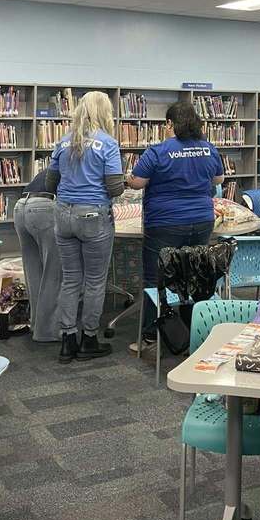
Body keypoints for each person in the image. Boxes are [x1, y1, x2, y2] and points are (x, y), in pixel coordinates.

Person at [125, 100, 224, 353]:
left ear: (169, 123)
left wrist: (127, 177)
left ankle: (150, 336)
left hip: (165, 222)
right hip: (202, 220)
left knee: (154, 278)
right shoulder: (208, 148)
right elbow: (219, 179)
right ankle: (195, 331)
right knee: (193, 274)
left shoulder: (158, 151)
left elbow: (137, 183)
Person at [45, 91, 125, 364]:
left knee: (70, 279)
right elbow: (115, 188)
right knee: (94, 281)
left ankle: (67, 339)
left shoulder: (63, 141)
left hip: (63, 215)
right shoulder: (108, 143)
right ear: (104, 113)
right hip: (93, 215)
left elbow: (49, 184)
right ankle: (89, 338)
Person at [13, 167, 61, 343]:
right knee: (53, 273)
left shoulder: (59, 159)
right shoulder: (82, 165)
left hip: (21, 206)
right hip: (45, 207)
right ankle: (47, 331)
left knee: (34, 273)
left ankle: (36, 324)